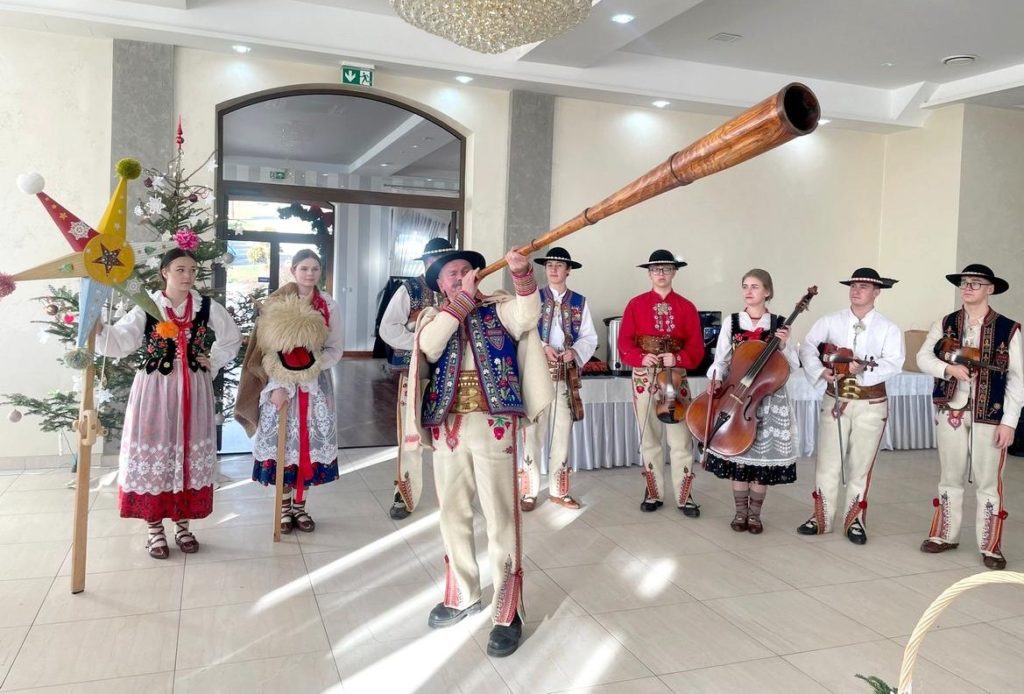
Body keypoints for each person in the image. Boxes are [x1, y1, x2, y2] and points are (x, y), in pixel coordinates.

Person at [402, 245, 552, 658]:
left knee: (501, 516)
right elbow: (430, 348)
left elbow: (528, 317)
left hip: (493, 421)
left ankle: (507, 612)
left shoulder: (499, 307)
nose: (460, 277)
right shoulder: (434, 317)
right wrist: (462, 303)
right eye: (451, 274)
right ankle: (462, 594)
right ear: (440, 285)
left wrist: (522, 277)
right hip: (449, 422)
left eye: (465, 270)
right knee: (452, 512)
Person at [96, 248, 241, 558]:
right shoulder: (146, 307)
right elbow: (120, 341)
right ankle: (154, 529)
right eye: (180, 269)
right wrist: (97, 328)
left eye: (191, 270)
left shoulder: (206, 307)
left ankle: (183, 524)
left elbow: (232, 338)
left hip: (195, 388)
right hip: (155, 389)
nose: (187, 276)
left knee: (188, 451)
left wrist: (212, 360)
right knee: (156, 450)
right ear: (165, 272)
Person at [917, 264, 1022, 570]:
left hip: (990, 415)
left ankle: (990, 545)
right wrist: (947, 369)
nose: (968, 287)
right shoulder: (945, 323)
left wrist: (1009, 421)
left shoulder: (1009, 328)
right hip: (951, 410)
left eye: (976, 284)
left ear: (990, 289)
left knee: (989, 481)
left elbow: (1018, 379)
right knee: (949, 476)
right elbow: (923, 357)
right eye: (965, 283)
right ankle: (944, 535)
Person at [236, 249, 343, 534]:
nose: (310, 274)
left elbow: (335, 348)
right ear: (293, 271)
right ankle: (284, 509)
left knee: (307, 445)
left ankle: (301, 507)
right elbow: (266, 349)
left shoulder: (328, 306)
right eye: (304, 268)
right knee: (285, 445)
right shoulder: (276, 303)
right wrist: (278, 385)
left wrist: (312, 367)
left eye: (315, 269)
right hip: (280, 386)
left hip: (315, 383)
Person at [796, 268, 904, 545]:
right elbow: (807, 346)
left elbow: (894, 363)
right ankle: (821, 517)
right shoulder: (831, 320)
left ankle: (854, 519)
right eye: (854, 285)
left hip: (871, 402)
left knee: (861, 466)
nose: (857, 290)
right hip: (836, 399)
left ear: (876, 292)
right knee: (828, 463)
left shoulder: (888, 327)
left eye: (864, 287)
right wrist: (821, 372)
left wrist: (861, 371)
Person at [702, 269, 798, 534]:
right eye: (745, 286)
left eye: (755, 286)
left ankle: (755, 516)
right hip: (737, 396)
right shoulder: (732, 322)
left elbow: (794, 366)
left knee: (761, 462)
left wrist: (785, 345)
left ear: (767, 291)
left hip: (766, 398)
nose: (749, 291)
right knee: (738, 457)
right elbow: (720, 360)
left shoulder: (779, 324)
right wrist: (715, 379)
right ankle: (740, 512)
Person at [618, 249, 704, 515]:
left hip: (675, 375)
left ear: (674, 272)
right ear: (649, 273)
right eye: (656, 269)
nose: (661, 274)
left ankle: (684, 495)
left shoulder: (687, 306)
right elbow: (624, 342)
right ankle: (654, 492)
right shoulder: (635, 304)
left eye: (666, 269)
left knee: (681, 440)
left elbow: (697, 347)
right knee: (650, 437)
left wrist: (677, 356)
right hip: (645, 376)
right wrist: (639, 357)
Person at [519, 247, 597, 512]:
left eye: (559, 265)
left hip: (565, 376)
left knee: (562, 433)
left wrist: (573, 352)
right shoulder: (534, 298)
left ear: (568, 270)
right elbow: (522, 330)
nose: (553, 269)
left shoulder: (579, 302)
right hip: (536, 374)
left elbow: (589, 337)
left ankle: (558, 490)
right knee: (533, 433)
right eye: (550, 264)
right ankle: (528, 491)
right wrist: (543, 346)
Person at [378, 237, 448, 519]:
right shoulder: (409, 289)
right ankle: (404, 494)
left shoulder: (457, 288)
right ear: (426, 263)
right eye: (433, 262)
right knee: (411, 434)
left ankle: (452, 496)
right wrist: (420, 342)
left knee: (450, 433)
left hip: (450, 372)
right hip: (415, 372)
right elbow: (388, 328)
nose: (437, 267)